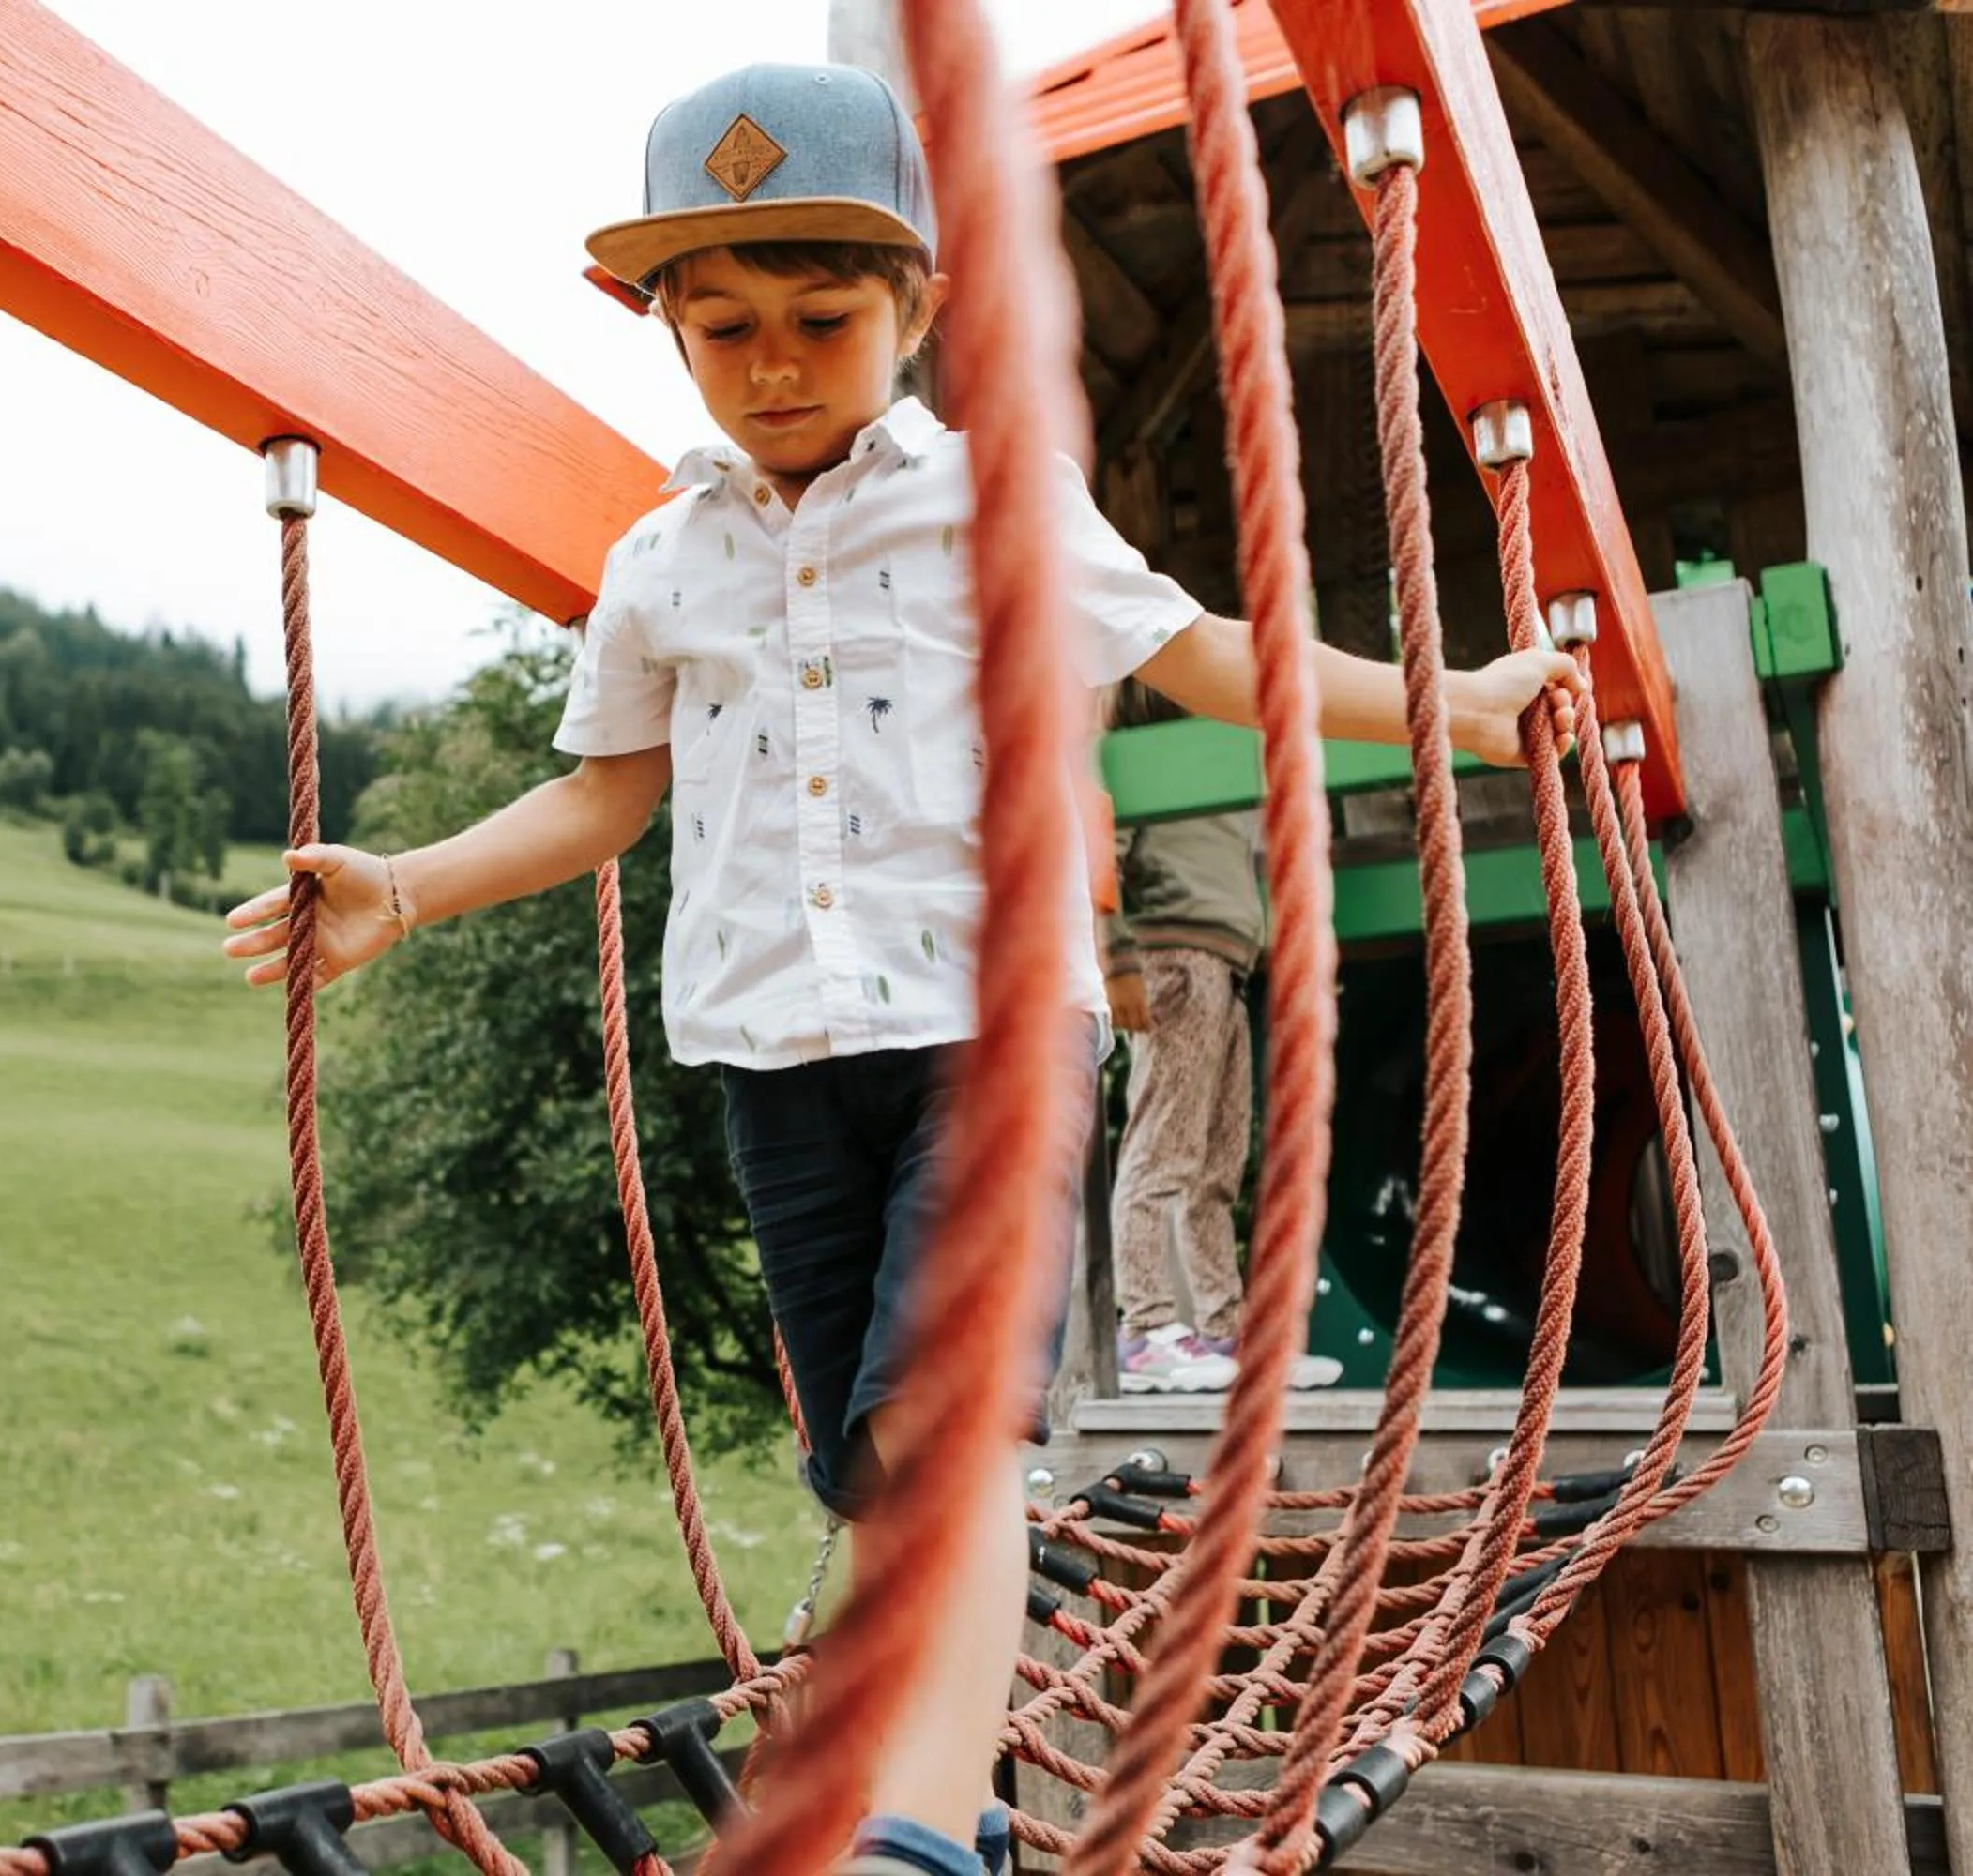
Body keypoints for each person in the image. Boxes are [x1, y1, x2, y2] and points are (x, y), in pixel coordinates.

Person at [223, 64, 1574, 1876]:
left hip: (992, 1045)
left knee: (937, 1443)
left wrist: (1453, 703)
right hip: (772, 1064)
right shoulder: (657, 564)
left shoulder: (997, 505)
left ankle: (918, 1837)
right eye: (721, 330)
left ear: (919, 307)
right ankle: (929, 1805)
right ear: (666, 331)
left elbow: (1193, 656)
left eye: (821, 319)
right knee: (870, 1466)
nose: (771, 362)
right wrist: (410, 879)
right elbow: (608, 791)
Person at [1101, 803, 1343, 1393]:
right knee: (1163, 1146)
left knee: (1218, 1163)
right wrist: (1115, 959)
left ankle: (1223, 1328)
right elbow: (1099, 853)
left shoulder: (1225, 770)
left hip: (1227, 968)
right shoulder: (1146, 764)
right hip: (1175, 958)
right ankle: (1146, 1327)